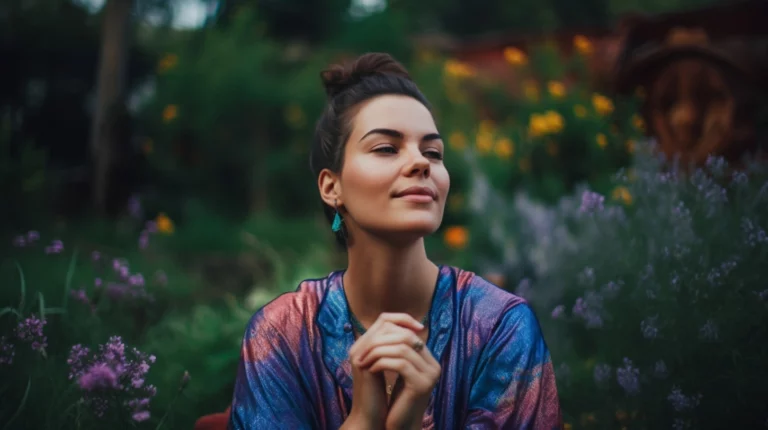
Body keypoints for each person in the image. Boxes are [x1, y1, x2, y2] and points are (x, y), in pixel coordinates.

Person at [226, 52, 561, 429]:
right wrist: (365, 419)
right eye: (387, 148)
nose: (421, 163)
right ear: (331, 186)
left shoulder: (499, 328)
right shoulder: (283, 334)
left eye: (432, 152)